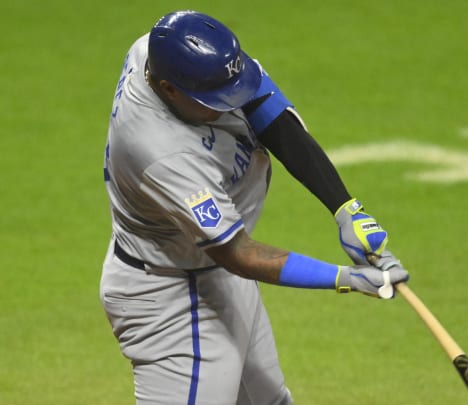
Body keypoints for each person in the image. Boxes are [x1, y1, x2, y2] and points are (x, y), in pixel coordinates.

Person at [100, 10, 409, 405]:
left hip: (210, 271)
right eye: (215, 101)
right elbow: (238, 252)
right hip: (172, 297)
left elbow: (265, 106)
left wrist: (345, 208)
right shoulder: (159, 151)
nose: (232, 105)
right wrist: (345, 277)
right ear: (169, 90)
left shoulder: (156, 51)